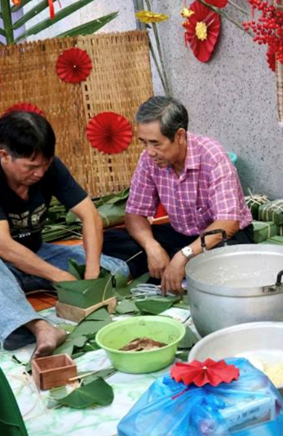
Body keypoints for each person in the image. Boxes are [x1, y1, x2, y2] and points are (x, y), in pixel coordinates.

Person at [0, 112, 129, 357]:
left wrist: (91, 272)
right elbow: (3, 247)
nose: (40, 173)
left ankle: (12, 300)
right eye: (31, 167)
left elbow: (90, 216)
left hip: (34, 256)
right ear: (4, 156)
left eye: (45, 164)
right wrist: (60, 276)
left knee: (116, 270)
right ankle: (40, 327)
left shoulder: (50, 168)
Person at [102, 96, 253, 295]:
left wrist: (184, 255)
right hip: (180, 235)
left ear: (180, 136)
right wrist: (152, 247)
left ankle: (177, 267)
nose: (149, 151)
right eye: (144, 143)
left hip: (220, 237)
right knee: (109, 239)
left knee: (227, 258)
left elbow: (228, 222)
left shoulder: (212, 156)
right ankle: (170, 265)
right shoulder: (148, 159)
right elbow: (134, 214)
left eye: (156, 143)